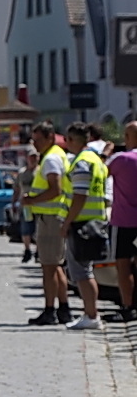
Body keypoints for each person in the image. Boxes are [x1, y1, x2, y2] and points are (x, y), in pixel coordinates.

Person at [62, 120, 111, 330]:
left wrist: (66, 223)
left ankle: (91, 315)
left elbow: (79, 197)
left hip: (82, 223)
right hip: (95, 221)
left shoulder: (82, 162)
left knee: (82, 272)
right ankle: (90, 314)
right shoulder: (96, 161)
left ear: (72, 140)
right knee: (86, 270)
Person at [23, 122, 73, 325]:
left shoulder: (51, 159)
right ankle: (63, 308)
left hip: (50, 217)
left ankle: (50, 310)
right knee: (56, 265)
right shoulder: (56, 155)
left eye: (38, 140)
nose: (35, 144)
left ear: (50, 137)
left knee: (48, 267)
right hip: (53, 216)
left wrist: (31, 200)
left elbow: (56, 189)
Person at [109, 120, 137, 321]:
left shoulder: (122, 159)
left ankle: (128, 307)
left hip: (125, 220)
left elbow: (102, 173)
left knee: (123, 265)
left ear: (127, 138)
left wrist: (105, 152)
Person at [16, 148, 38, 263]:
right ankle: (27, 250)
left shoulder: (40, 172)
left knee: (38, 229)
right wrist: (13, 203)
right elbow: (16, 188)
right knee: (25, 229)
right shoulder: (22, 173)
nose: (33, 159)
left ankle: (38, 251)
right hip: (26, 206)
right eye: (31, 157)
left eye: (35, 157)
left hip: (39, 204)